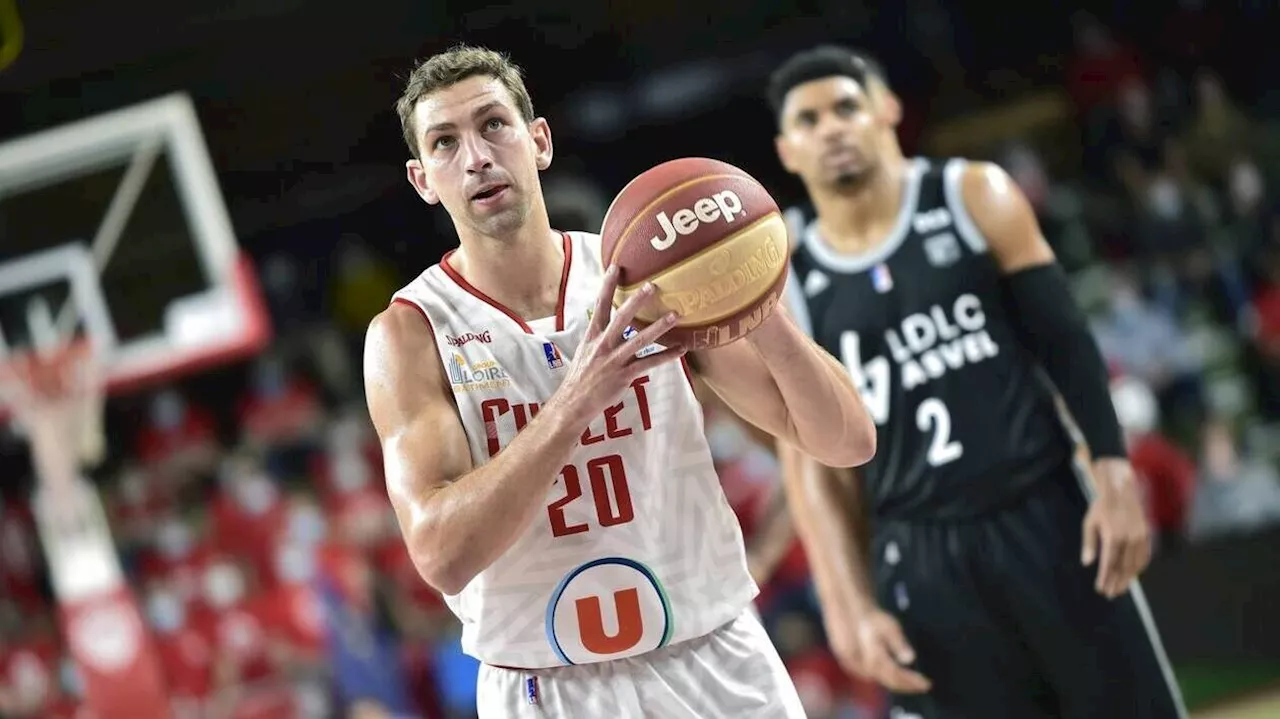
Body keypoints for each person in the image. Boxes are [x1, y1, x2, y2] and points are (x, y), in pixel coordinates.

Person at [363, 44, 877, 718]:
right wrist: (576, 399)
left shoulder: (643, 275)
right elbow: (442, 555)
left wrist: (760, 308)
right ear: (423, 178)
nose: (476, 156)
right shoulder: (411, 332)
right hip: (546, 685)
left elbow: (847, 440)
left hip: (715, 654)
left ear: (537, 140)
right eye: (444, 142)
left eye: (493, 125)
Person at [765, 45, 1187, 719]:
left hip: (1047, 515)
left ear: (887, 111)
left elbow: (1067, 342)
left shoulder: (970, 195)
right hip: (918, 553)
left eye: (846, 106)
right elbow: (810, 464)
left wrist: (1112, 472)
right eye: (809, 120)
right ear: (788, 150)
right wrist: (847, 603)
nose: (832, 128)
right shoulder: (788, 271)